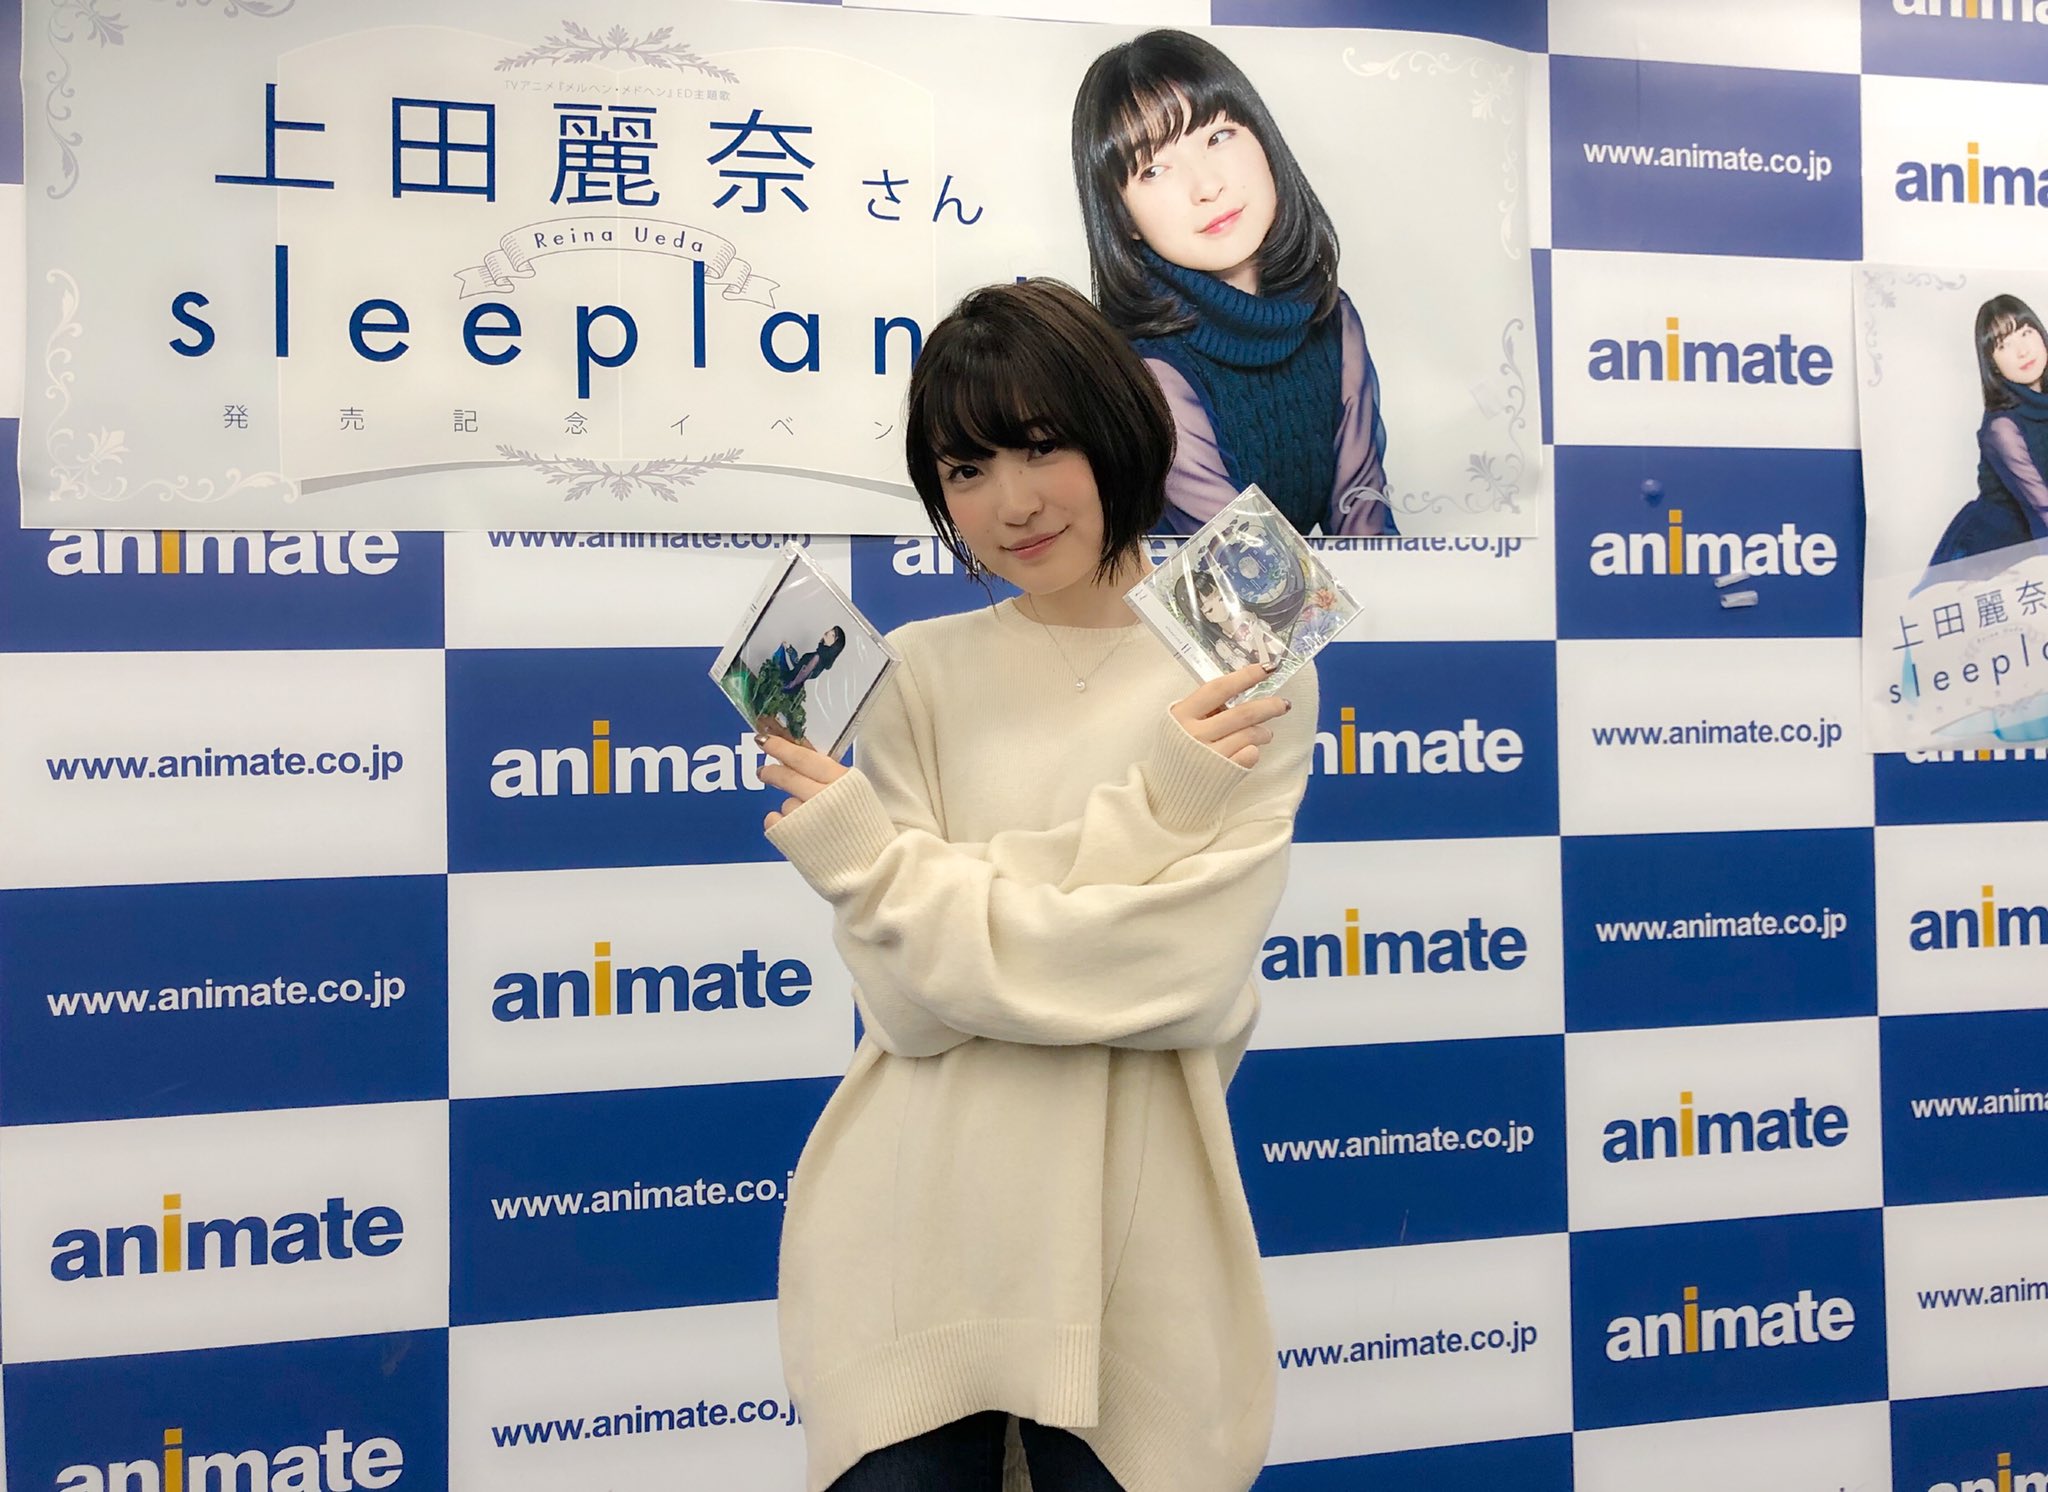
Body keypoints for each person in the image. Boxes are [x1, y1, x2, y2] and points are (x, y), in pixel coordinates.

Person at [754, 278, 1318, 1492]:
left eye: (1041, 444)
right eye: (964, 469)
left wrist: (885, 872)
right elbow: (908, 1003)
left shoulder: (1241, 656)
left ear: (1120, 428)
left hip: (1138, 1263)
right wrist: (1154, 826)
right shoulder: (912, 669)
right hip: (912, 1244)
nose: (1009, 502)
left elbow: (1179, 973)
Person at [1072, 28, 1397, 539]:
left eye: (1218, 137)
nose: (1207, 186)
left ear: (1265, 142)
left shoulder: (1332, 318)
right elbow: (1246, 567)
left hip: (1301, 592)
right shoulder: (1146, 375)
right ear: (1122, 216)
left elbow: (1364, 520)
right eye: (1154, 169)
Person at [1926, 293, 2048, 571]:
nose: (2022, 351)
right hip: (1994, 553)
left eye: (2026, 333)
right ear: (1993, 364)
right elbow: (2042, 510)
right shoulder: (2002, 428)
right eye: (2004, 345)